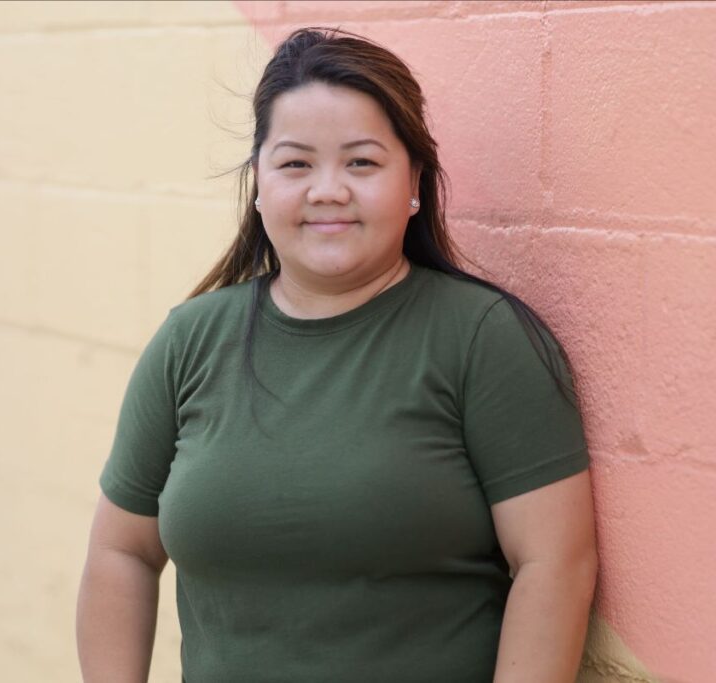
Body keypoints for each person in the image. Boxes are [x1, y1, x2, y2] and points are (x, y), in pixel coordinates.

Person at [76, 26, 597, 683]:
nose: (327, 189)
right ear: (259, 183)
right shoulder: (190, 341)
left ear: (413, 182)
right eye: (296, 163)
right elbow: (121, 548)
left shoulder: (484, 338)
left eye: (361, 162)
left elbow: (555, 564)